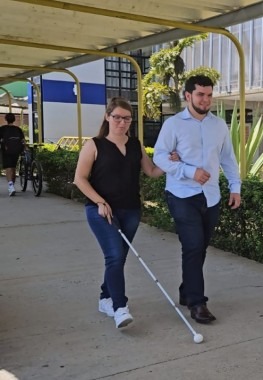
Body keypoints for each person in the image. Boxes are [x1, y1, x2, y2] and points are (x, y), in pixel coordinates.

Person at [73, 97, 177, 329]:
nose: (121, 122)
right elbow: (79, 179)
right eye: (117, 117)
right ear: (107, 117)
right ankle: (120, 308)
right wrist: (99, 201)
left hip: (131, 210)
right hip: (101, 211)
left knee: (118, 258)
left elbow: (150, 171)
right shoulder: (94, 145)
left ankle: (105, 298)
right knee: (115, 257)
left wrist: (170, 163)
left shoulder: (135, 144)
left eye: (126, 118)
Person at [153, 75, 241, 324]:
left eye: (209, 95)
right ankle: (197, 303)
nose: (206, 99)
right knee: (192, 245)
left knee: (200, 247)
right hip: (181, 194)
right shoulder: (173, 125)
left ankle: (186, 291)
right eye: (201, 94)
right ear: (188, 95)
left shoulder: (219, 125)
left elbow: (228, 159)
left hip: (211, 196)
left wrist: (235, 188)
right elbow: (159, 156)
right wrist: (190, 171)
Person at [0, 113, 26, 196]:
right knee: (13, 167)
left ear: (6, 119)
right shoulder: (18, 129)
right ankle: (12, 186)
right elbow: (23, 141)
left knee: (8, 167)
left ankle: (11, 186)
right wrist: (25, 148)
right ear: (14, 119)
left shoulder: (2, 129)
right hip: (17, 150)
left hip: (6, 150)